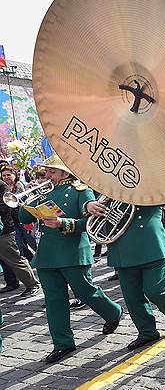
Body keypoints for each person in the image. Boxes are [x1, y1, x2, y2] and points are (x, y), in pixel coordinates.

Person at [18, 155, 123, 363]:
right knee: (54, 301)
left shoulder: (80, 191)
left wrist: (63, 223)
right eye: (47, 171)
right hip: (47, 255)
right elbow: (24, 219)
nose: (47, 175)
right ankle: (62, 343)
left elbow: (90, 221)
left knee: (86, 292)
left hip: (73, 251)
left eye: (52, 171)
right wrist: (25, 201)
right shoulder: (43, 193)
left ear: (65, 173)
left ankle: (113, 312)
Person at [85, 199, 165, 350]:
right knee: (132, 296)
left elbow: (164, 196)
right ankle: (146, 332)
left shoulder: (149, 187)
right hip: (123, 251)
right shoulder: (106, 190)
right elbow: (88, 213)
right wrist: (88, 205)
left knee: (155, 290)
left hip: (152, 246)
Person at [0, 178, 40, 297]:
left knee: (15, 259)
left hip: (5, 231)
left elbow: (6, 207)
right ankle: (11, 283)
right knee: (4, 261)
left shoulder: (2, 186)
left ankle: (32, 284)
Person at [2, 166, 37, 260]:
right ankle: (29, 259)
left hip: (24, 218)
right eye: (4, 175)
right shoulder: (3, 188)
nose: (6, 177)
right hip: (13, 221)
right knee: (18, 243)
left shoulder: (21, 185)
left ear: (14, 175)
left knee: (32, 241)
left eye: (8, 175)